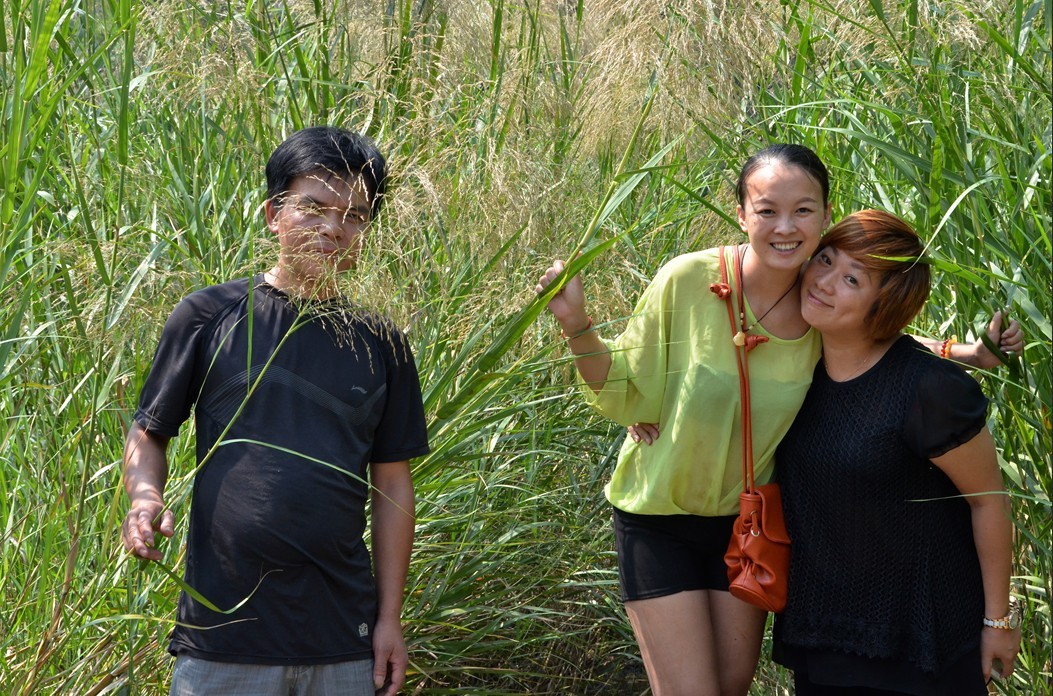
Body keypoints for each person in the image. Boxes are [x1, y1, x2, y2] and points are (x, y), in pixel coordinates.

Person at [534, 144, 1022, 696]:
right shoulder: (689, 280)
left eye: (804, 211)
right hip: (658, 513)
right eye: (766, 210)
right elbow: (625, 387)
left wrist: (966, 354)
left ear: (825, 215)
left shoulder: (815, 300)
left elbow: (881, 338)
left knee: (731, 684)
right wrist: (578, 327)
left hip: (746, 522)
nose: (785, 227)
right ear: (741, 213)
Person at [120, 126, 429, 696]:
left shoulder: (381, 343)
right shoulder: (208, 316)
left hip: (343, 638)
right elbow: (149, 433)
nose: (334, 229)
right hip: (222, 638)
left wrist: (390, 619)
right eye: (313, 207)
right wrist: (145, 498)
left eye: (356, 216)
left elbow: (392, 484)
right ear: (272, 213)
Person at [771, 209, 1021, 694]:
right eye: (824, 259)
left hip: (921, 644)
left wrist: (999, 621)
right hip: (823, 633)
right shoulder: (793, 366)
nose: (823, 281)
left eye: (851, 278)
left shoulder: (929, 390)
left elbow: (989, 501)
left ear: (884, 304)